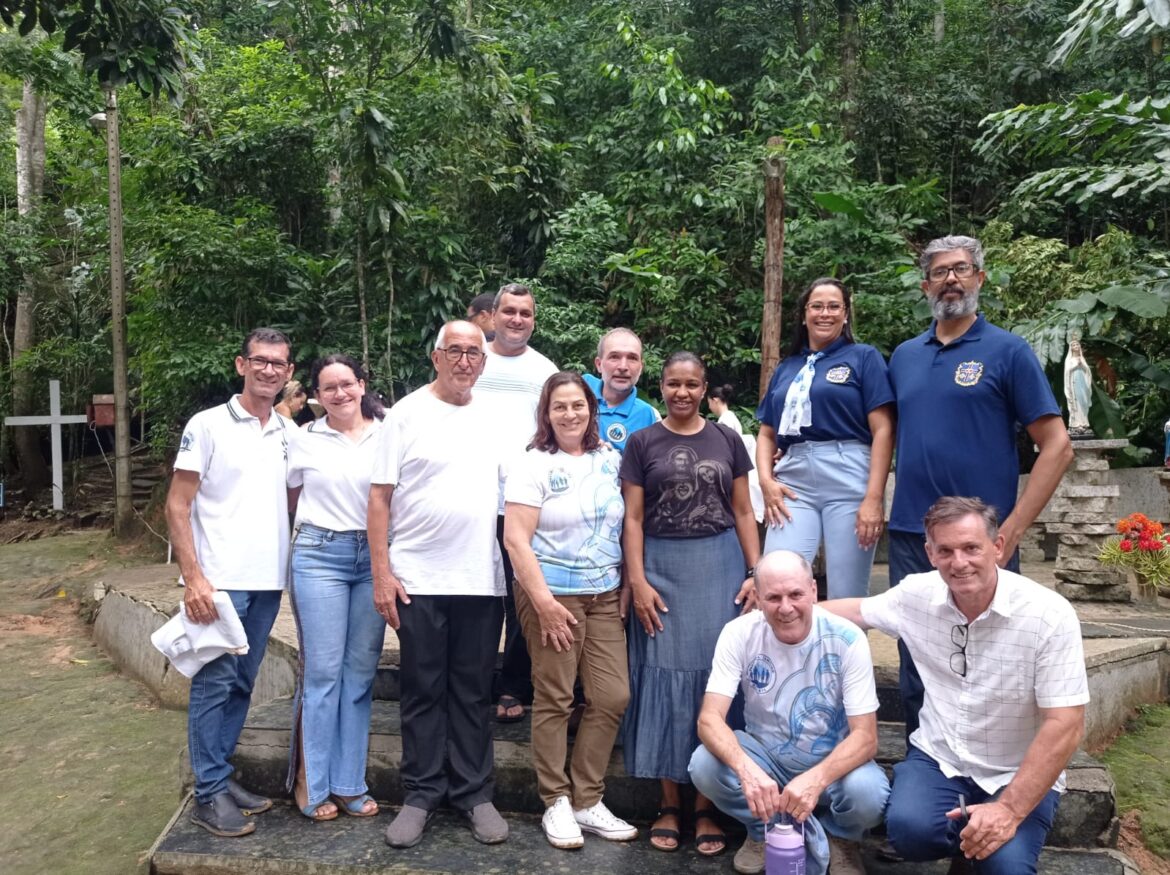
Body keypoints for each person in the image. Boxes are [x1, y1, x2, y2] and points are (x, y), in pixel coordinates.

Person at [822, 496, 1088, 874]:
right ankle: (969, 842)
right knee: (910, 832)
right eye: (945, 550)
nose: (959, 562)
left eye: (970, 548)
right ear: (930, 553)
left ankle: (979, 848)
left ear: (997, 547)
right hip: (941, 758)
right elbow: (855, 611)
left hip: (1015, 769)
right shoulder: (916, 595)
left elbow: (1066, 724)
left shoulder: (1048, 614)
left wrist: (1009, 810)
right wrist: (780, 605)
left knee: (1007, 869)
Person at [888, 236, 1073, 736]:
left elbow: (1057, 446)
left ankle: (991, 773)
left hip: (981, 540)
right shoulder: (904, 356)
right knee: (917, 658)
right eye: (941, 271)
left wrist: (1012, 528)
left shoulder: (1008, 351)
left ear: (980, 279)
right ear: (925, 285)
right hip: (911, 534)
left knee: (989, 655)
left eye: (963, 269)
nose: (952, 279)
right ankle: (921, 766)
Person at [368, 320, 509, 849]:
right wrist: (382, 572)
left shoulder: (496, 420)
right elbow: (379, 498)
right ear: (436, 356)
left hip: (480, 577)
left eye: (474, 352)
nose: (465, 361)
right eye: (456, 351)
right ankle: (421, 794)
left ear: (483, 361)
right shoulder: (405, 414)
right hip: (417, 578)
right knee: (422, 688)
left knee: (473, 692)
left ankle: (475, 794)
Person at [621, 351, 761, 855]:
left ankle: (706, 806)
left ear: (705, 388)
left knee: (713, 678)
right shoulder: (642, 442)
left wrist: (756, 572)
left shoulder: (727, 438)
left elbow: (743, 510)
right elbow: (633, 519)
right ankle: (668, 804)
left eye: (692, 384)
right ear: (661, 386)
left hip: (719, 568)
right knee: (660, 673)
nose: (683, 392)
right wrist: (636, 579)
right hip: (659, 569)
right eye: (674, 383)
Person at [164, 327, 295, 837]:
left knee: (242, 683)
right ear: (241, 364)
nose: (268, 370)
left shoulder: (287, 431)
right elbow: (178, 504)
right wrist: (193, 577)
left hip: (267, 581)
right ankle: (209, 793)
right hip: (218, 583)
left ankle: (220, 775)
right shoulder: (208, 425)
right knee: (214, 683)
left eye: (278, 363)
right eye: (259, 361)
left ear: (288, 373)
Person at [689, 551, 890, 875]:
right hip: (766, 759)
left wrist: (816, 779)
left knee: (868, 793)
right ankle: (762, 832)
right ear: (756, 597)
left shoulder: (847, 638)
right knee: (704, 765)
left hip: (832, 764)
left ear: (813, 590)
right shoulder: (739, 632)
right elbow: (709, 719)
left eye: (795, 594)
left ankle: (841, 839)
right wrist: (746, 770)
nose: (786, 608)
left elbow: (866, 738)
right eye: (773, 597)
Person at [503, 371, 637, 850]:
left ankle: (587, 798)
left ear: (591, 408)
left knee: (612, 695)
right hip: (551, 595)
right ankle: (555, 800)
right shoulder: (533, 463)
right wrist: (543, 603)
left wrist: (627, 580)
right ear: (547, 413)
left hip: (603, 595)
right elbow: (515, 538)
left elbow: (625, 524)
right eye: (559, 406)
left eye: (578, 405)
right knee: (556, 696)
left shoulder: (609, 458)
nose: (570, 414)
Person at [285, 355, 385, 821]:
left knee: (360, 675)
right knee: (322, 674)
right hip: (319, 556)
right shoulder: (303, 439)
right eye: (329, 388)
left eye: (347, 384)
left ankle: (349, 784)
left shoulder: (389, 434)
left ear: (362, 385)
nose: (340, 394)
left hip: (374, 560)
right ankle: (312, 781)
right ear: (316, 396)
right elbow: (288, 498)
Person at [755, 278, 895, 599]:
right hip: (794, 479)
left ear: (846, 315)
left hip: (850, 476)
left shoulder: (864, 357)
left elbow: (884, 429)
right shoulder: (788, 367)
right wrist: (766, 481)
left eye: (834, 306)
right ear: (804, 315)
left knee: (847, 594)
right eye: (816, 306)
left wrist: (874, 498)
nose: (825, 313)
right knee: (779, 581)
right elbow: (767, 433)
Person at [475, 282, 559, 723]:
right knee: (475, 594)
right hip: (469, 498)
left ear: (534, 319)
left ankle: (513, 684)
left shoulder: (544, 370)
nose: (516, 320)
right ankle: (474, 683)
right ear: (493, 315)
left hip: (522, 502)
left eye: (525, 313)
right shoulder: (473, 360)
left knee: (521, 596)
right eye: (509, 311)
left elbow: (556, 431)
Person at [583, 327, 660, 452]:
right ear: (598, 364)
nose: (623, 367)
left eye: (632, 358)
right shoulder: (581, 388)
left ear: (641, 367)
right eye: (614, 357)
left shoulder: (647, 416)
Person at [1064, 337, 1092, 434]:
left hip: (1083, 383)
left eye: (1077, 344)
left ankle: (1084, 423)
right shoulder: (1069, 359)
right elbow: (1067, 372)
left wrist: (1082, 365)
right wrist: (1076, 366)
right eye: (1073, 345)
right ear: (1071, 348)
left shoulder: (1082, 358)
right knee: (1075, 402)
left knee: (1083, 402)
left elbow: (1088, 372)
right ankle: (1076, 424)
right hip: (1074, 383)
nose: (1076, 346)